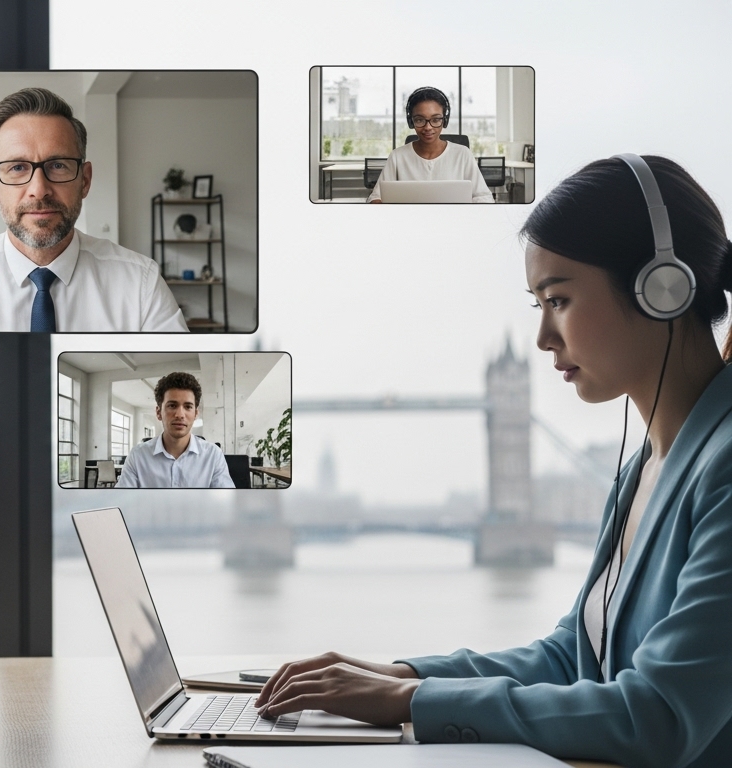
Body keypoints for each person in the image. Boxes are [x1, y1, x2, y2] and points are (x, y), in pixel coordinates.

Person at [257, 155, 732, 768]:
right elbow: (572, 656)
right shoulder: (640, 471)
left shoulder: (724, 468)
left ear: (662, 288)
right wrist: (397, 673)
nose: (543, 338)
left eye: (557, 299)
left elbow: (660, 715)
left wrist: (412, 700)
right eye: (537, 305)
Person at [0, 87, 187, 332]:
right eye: (18, 167)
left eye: (57, 166)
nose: (39, 189)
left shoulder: (140, 284)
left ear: (84, 180)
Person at [366, 86, 493, 204]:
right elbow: (376, 196)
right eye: (420, 120)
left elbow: (484, 197)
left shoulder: (462, 154)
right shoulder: (397, 156)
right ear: (411, 122)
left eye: (436, 119)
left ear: (445, 120)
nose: (428, 127)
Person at [116, 372, 233, 488]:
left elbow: (226, 503)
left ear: (196, 413)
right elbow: (122, 501)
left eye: (188, 407)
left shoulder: (213, 455)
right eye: (172, 405)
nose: (180, 414)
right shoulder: (138, 456)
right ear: (158, 412)